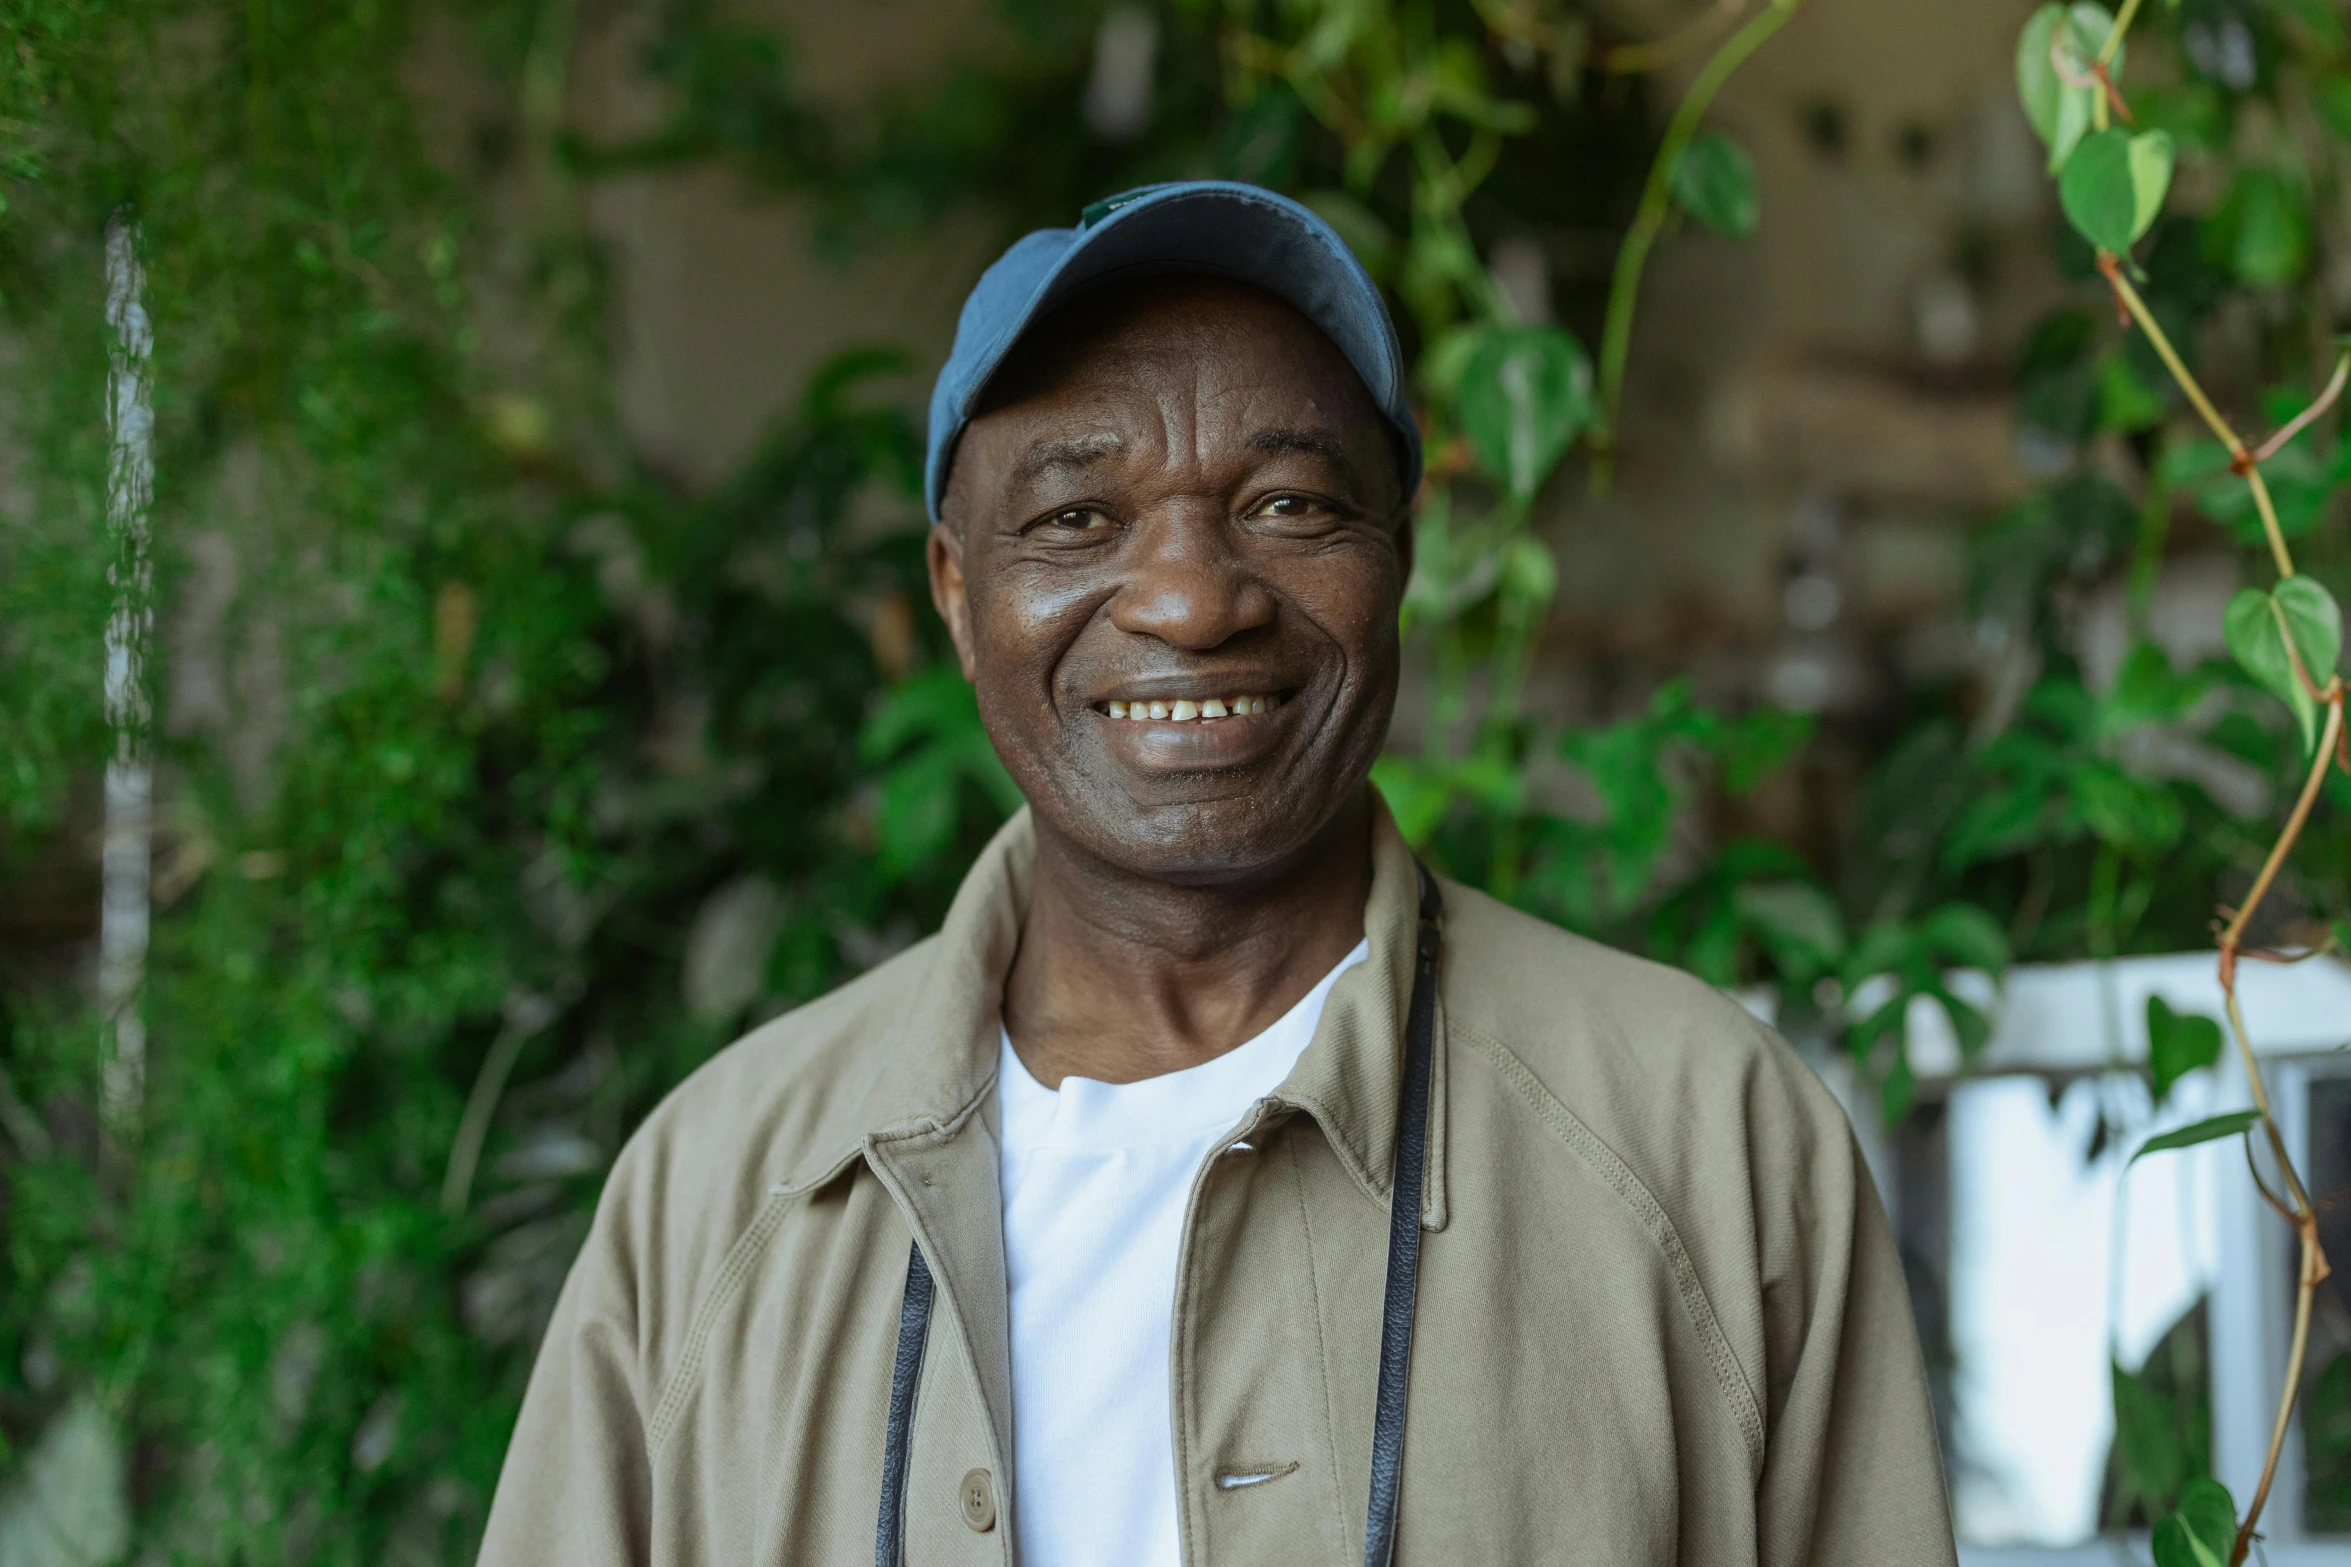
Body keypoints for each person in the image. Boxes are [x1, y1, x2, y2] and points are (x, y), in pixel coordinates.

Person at [481, 181, 1957, 1567]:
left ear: (1401, 553)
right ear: (953, 588)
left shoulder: (1703, 1141)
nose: (1191, 599)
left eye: (1289, 506)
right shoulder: (719, 1190)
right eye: (1076, 520)